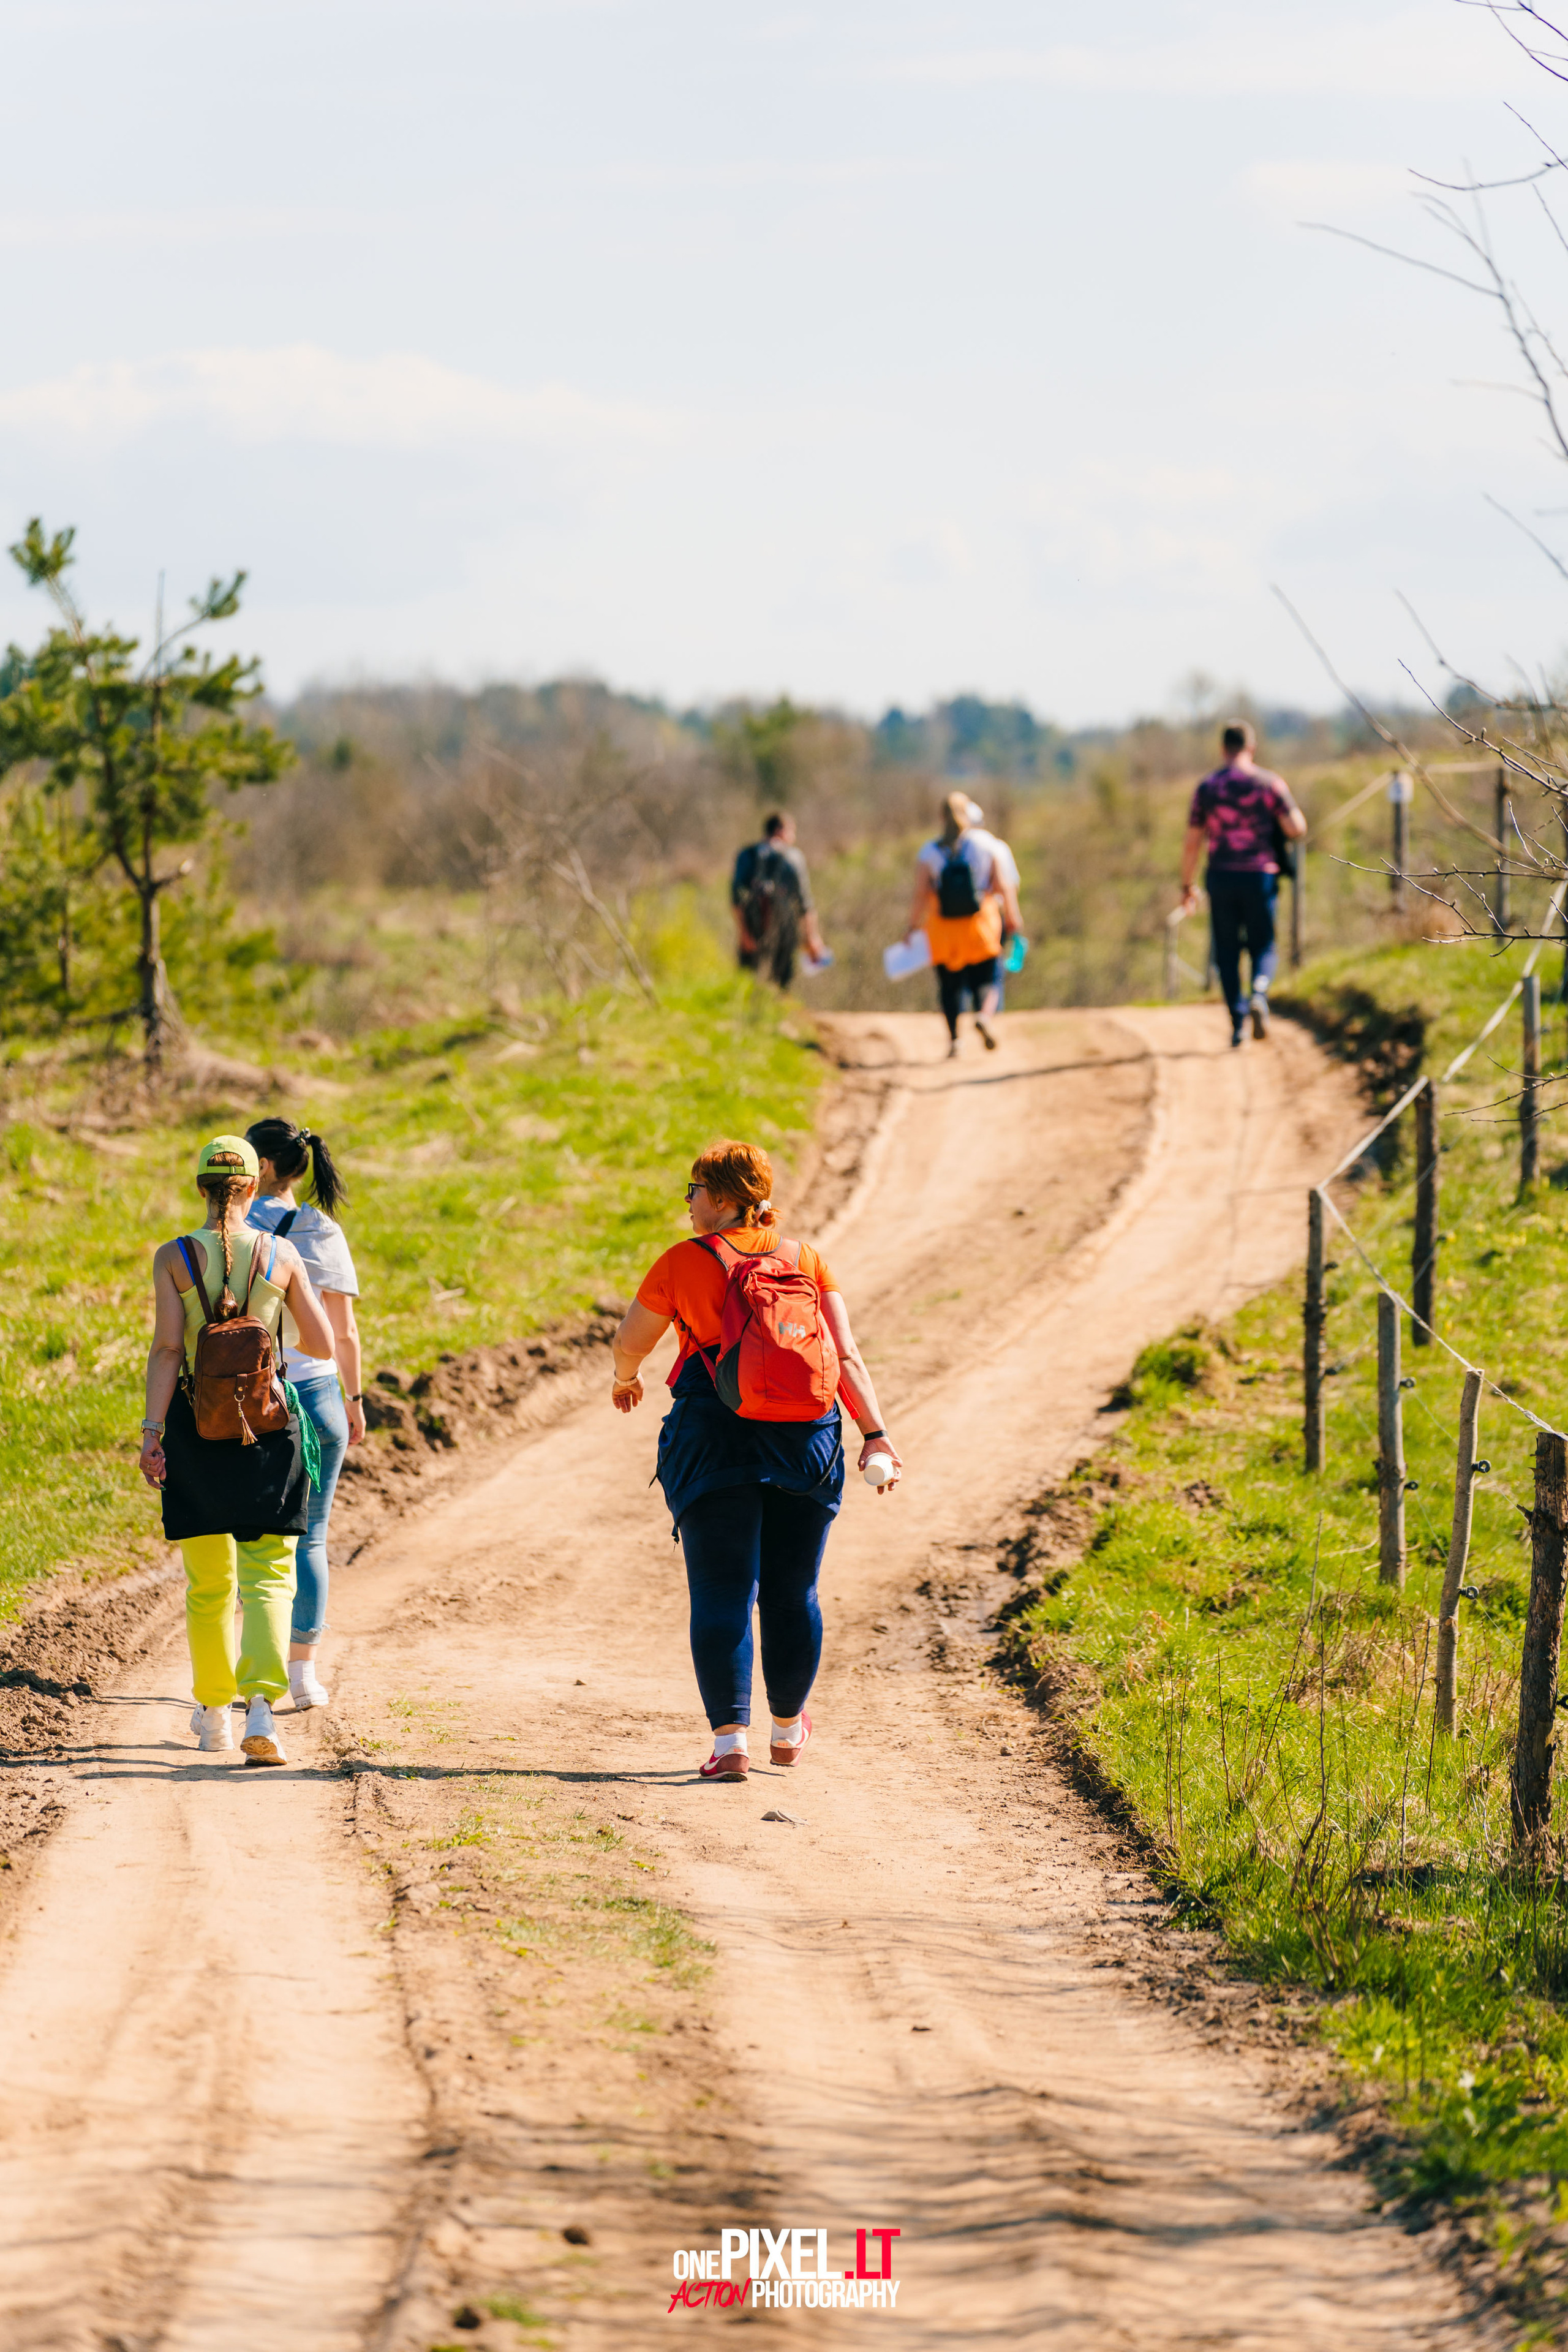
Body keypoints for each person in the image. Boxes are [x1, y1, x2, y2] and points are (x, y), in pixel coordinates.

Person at [607, 1139, 900, 1782]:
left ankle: (728, 1744)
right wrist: (874, 1433)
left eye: (693, 1190)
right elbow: (845, 1356)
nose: (686, 1202)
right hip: (808, 1439)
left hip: (715, 1435)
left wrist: (625, 1378)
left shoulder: (684, 1261)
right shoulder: (806, 1260)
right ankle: (789, 1730)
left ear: (719, 1199)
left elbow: (632, 1340)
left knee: (722, 1590)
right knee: (794, 1591)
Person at [138, 1134, 336, 1764]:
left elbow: (169, 1349)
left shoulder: (173, 1258)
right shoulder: (281, 1253)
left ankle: (214, 1715)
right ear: (253, 1187)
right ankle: (261, 1713)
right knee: (269, 1576)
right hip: (268, 1432)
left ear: (200, 1187)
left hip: (195, 1432)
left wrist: (151, 1434)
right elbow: (324, 1344)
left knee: (208, 1585)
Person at [246, 1117, 363, 1713]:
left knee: (259, 1543)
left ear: (262, 1165)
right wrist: (355, 1398)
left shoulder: (238, 1230)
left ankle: (254, 1676)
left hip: (257, 1401)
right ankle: (304, 1676)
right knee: (311, 1537)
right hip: (321, 1399)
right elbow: (343, 1331)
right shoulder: (325, 1230)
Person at [1180, 720, 1306, 1049]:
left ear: (1223, 749)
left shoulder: (1208, 788)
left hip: (1221, 876)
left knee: (1226, 952)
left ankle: (1237, 1024)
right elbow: (1296, 827)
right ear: (1252, 748)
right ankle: (1260, 995)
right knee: (1264, 945)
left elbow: (1192, 843)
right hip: (1260, 875)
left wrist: (1186, 885)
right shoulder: (1269, 784)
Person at [905, 790, 1022, 1057]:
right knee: (989, 977)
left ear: (940, 816)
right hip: (982, 924)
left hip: (943, 928)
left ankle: (955, 1040)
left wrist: (911, 927)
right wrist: (1014, 918)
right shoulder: (985, 844)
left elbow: (921, 894)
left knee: (949, 985)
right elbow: (1002, 885)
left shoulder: (929, 851)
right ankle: (984, 1015)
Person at [731, 812, 828, 990]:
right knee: (782, 984)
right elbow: (805, 904)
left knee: (746, 981)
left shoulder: (747, 855)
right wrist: (812, 937)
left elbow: (736, 898)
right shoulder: (794, 857)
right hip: (784, 928)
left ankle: (742, 1014)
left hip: (752, 925)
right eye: (792, 832)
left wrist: (744, 934)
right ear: (780, 831)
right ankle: (779, 1013)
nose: (794, 837)